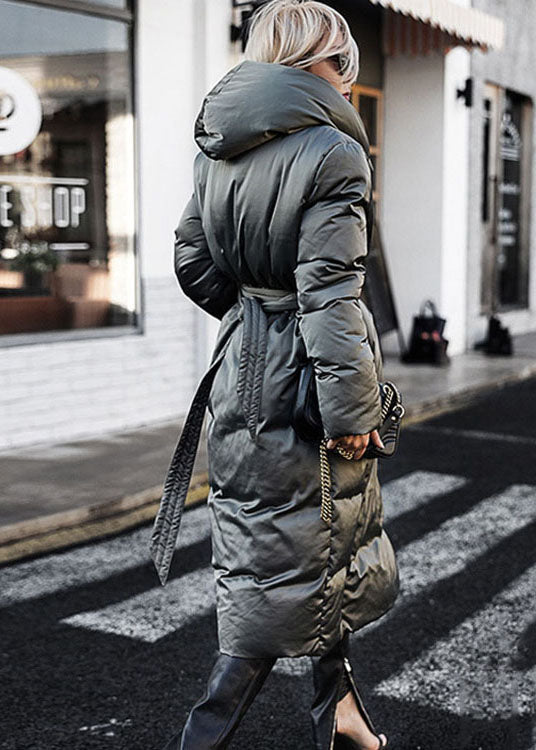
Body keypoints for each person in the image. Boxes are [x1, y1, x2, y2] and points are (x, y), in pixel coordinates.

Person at [159, 1, 400, 747]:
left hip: (243, 372)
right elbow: (330, 295)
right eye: (343, 60)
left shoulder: (219, 145)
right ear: (317, 61)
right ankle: (202, 737)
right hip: (310, 381)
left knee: (303, 541)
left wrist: (253, 324)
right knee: (282, 565)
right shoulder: (334, 151)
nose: (348, 76)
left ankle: (341, 711)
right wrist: (353, 413)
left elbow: (191, 259)